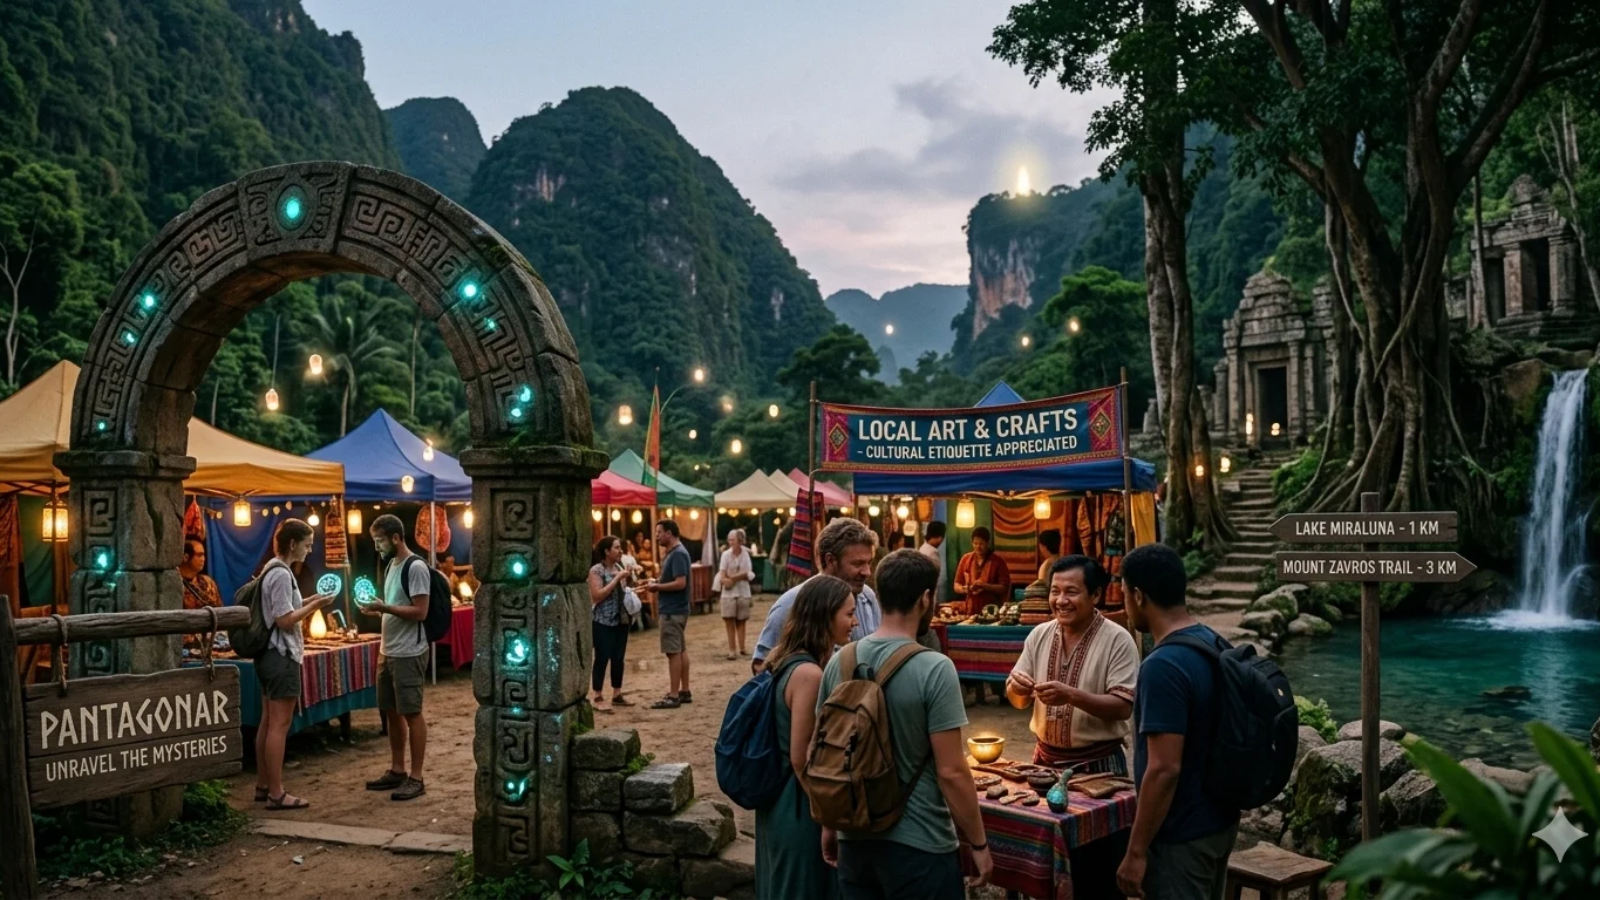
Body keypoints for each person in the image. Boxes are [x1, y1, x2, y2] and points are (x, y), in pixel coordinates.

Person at [819, 549, 991, 899]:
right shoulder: (935, 668)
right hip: (921, 845)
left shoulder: (841, 660)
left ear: (879, 594)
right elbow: (952, 772)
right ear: (926, 598)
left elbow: (826, 753)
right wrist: (979, 843)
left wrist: (829, 827)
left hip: (854, 840)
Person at [1117, 542, 1238, 900]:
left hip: (1181, 837)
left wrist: (1136, 851)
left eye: (1124, 594)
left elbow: (1164, 768)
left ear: (1138, 596)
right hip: (1220, 822)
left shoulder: (1162, 666)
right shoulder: (1213, 642)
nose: (1125, 605)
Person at [754, 575, 856, 900]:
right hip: (798, 807)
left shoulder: (786, 660)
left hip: (780, 802)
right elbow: (801, 756)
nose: (855, 621)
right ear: (825, 616)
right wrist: (827, 817)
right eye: (849, 614)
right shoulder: (809, 674)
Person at [1006, 555, 1137, 774]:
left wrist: (1071, 696)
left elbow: (1123, 708)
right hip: (1045, 763)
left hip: (1099, 765)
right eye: (1055, 591)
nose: (1060, 600)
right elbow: (1018, 701)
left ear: (1095, 595)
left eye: (1071, 592)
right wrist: (1017, 689)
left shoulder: (1118, 640)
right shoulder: (1039, 635)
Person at [254, 519, 337, 810]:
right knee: (279, 724)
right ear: (292, 544)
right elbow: (284, 619)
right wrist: (313, 607)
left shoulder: (273, 571)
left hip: (270, 656)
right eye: (307, 544)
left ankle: (264, 785)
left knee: (268, 721)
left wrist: (314, 599)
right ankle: (276, 793)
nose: (310, 549)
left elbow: (288, 609)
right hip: (281, 655)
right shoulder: (280, 573)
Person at [360, 514, 433, 802]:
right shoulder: (391, 564)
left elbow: (421, 611)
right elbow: (395, 605)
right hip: (388, 649)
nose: (376, 547)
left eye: (379, 541)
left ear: (395, 538)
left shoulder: (415, 567)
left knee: (412, 713)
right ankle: (397, 769)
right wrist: (379, 609)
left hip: (409, 651)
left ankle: (416, 777)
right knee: (391, 711)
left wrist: (386, 608)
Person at [751, 517, 882, 675]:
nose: (867, 572)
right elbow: (761, 667)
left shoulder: (866, 596)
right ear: (830, 560)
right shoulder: (791, 603)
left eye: (869, 563)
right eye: (857, 564)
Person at [639, 519, 693, 709]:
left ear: (669, 533)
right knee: (681, 650)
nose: (656, 536)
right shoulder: (677, 553)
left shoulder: (677, 554)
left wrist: (657, 587)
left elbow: (680, 583)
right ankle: (684, 691)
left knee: (673, 652)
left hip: (672, 610)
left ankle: (673, 695)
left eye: (659, 532)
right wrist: (658, 581)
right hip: (678, 609)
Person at [588, 535, 634, 712]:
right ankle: (597, 695)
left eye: (620, 547)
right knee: (602, 657)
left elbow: (624, 591)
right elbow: (597, 595)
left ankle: (617, 693)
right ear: (606, 551)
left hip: (620, 619)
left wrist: (628, 579)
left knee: (618, 658)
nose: (620, 550)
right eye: (616, 547)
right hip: (602, 620)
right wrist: (616, 579)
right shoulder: (596, 571)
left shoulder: (619, 567)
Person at [953, 526, 1011, 616]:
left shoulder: (998, 561)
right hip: (970, 610)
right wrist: (964, 589)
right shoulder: (966, 559)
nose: (978, 547)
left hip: (992, 610)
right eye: (975, 543)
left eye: (981, 544)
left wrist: (985, 586)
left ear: (988, 543)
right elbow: (956, 584)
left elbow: (1004, 587)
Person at [717, 529, 755, 659]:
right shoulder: (725, 555)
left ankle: (742, 648)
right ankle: (732, 650)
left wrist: (731, 577)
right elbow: (722, 573)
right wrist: (728, 579)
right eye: (729, 540)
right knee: (729, 621)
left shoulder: (746, 554)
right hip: (728, 593)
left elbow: (748, 573)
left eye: (733, 540)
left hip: (743, 591)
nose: (730, 542)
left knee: (742, 620)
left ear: (740, 541)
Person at [180, 539, 222, 612]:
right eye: (199, 555)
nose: (203, 559)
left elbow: (220, 608)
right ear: (186, 557)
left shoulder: (208, 582)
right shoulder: (175, 583)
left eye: (203, 555)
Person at [917, 521, 948, 601]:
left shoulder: (923, 548)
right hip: (928, 595)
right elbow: (934, 577)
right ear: (941, 537)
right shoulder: (932, 552)